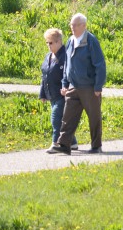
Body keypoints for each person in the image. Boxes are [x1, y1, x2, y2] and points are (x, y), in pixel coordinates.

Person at [49, 13, 107, 155]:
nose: (72, 27)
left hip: (89, 87)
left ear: (84, 26)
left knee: (94, 117)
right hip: (73, 86)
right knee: (68, 117)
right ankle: (64, 145)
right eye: (71, 24)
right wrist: (65, 83)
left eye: (75, 25)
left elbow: (100, 64)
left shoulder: (91, 41)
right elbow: (67, 63)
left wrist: (98, 86)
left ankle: (96, 146)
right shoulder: (70, 41)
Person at [40, 28, 78, 153]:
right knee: (61, 120)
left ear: (58, 42)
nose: (48, 45)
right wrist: (43, 94)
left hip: (63, 95)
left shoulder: (65, 56)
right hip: (52, 94)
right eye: (47, 43)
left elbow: (69, 74)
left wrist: (66, 87)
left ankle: (56, 143)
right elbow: (45, 75)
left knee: (56, 119)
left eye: (50, 43)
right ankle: (72, 142)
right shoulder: (48, 56)